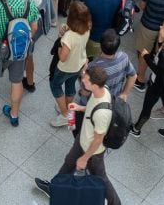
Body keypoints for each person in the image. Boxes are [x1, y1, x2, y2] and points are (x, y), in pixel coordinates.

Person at [34, 65, 122, 205]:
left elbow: (98, 139)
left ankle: (115, 203)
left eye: (86, 80)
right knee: (69, 162)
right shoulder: (102, 90)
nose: (82, 81)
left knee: (101, 179)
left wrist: (85, 158)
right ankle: (54, 188)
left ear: (94, 85)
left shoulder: (102, 114)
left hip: (92, 152)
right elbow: (94, 106)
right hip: (83, 139)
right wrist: (80, 108)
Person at [130, 19, 164, 143]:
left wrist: (146, 56)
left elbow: (158, 70)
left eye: (163, 29)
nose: (160, 27)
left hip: (157, 85)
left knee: (147, 107)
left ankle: (136, 129)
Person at [50, 1, 92, 127]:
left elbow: (62, 57)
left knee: (55, 86)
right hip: (78, 65)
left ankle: (64, 115)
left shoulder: (69, 37)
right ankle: (70, 116)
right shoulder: (87, 29)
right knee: (70, 86)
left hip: (65, 68)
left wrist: (59, 45)